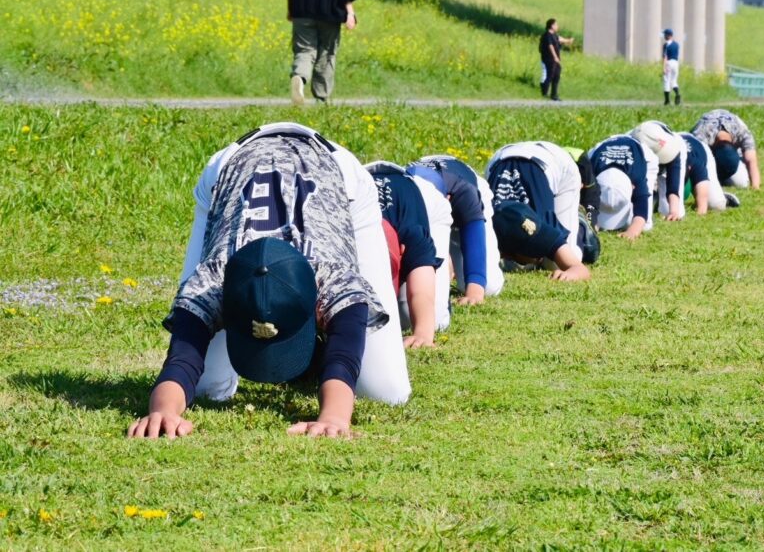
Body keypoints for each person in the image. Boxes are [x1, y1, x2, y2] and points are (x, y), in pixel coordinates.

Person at [128, 123, 411, 440]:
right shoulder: (215, 276)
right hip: (231, 169)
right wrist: (163, 411)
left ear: (316, 300)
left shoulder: (332, 275)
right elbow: (182, 357)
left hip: (335, 173)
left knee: (387, 390)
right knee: (209, 389)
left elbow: (346, 348)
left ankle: (312, 356)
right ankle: (300, 351)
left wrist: (334, 417)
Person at [366, 162, 451, 348]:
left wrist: (422, 333)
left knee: (431, 318)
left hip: (424, 197)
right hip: (364, 179)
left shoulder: (413, 237)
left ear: (403, 251)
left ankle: (447, 265)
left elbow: (421, 292)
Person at [407, 155, 505, 306]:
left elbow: (475, 239)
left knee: (487, 286)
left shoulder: (464, 192)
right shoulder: (404, 195)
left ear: (446, 199)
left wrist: (474, 291)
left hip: (461, 178)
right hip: (424, 178)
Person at [486, 141, 590, 281]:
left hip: (555, 160)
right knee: (512, 266)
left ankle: (581, 222)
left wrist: (571, 273)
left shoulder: (534, 230)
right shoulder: (483, 226)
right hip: (500, 158)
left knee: (556, 264)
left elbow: (579, 269)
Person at [587, 133, 659, 241]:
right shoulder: (592, 170)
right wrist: (593, 224)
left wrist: (633, 231)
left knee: (645, 225)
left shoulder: (637, 175)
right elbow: (585, 203)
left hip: (641, 152)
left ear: (632, 187)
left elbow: (642, 208)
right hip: (602, 146)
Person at [690, 109, 762, 189]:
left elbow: (751, 161)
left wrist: (755, 186)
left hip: (728, 150)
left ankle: (723, 175)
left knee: (742, 182)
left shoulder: (743, 132)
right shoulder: (701, 136)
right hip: (706, 150)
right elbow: (691, 160)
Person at [539, 18, 573, 102]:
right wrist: (555, 57)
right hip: (549, 59)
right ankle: (544, 91)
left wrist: (568, 41)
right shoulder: (547, 35)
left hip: (555, 59)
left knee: (556, 75)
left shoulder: (554, 35)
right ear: (551, 25)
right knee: (550, 75)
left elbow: (560, 39)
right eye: (556, 25)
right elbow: (550, 46)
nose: (557, 26)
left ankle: (554, 94)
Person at [662, 28, 681, 105]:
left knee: (667, 80)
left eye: (665, 34)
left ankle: (667, 100)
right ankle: (677, 94)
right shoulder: (676, 44)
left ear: (668, 35)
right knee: (674, 80)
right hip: (676, 63)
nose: (664, 36)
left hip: (669, 63)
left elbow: (665, 56)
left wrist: (663, 67)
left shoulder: (666, 45)